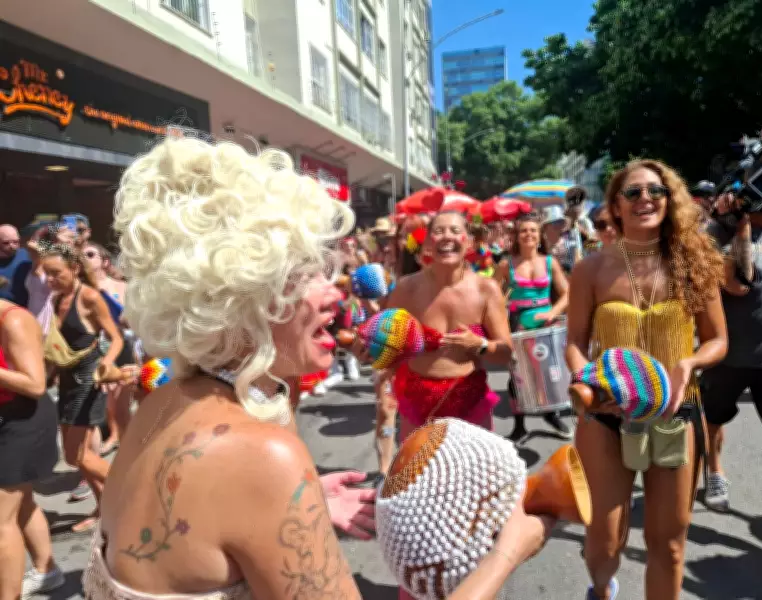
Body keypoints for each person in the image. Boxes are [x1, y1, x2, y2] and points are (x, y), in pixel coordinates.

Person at [83, 136, 551, 600]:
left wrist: (296, 503)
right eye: (306, 274)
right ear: (244, 294)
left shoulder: (161, 402)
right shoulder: (262, 456)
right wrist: (508, 550)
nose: (335, 292)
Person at [566, 159, 727, 600]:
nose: (645, 200)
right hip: (605, 412)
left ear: (669, 199)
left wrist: (690, 363)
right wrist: (589, 383)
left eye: (655, 191)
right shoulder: (591, 269)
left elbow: (718, 340)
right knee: (603, 541)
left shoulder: (693, 263)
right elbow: (575, 342)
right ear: (615, 206)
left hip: (676, 412)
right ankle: (601, 587)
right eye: (633, 193)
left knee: (669, 545)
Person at [702, 151, 762, 564]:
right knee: (713, 419)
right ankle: (715, 469)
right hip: (728, 354)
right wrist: (737, 223)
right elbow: (739, 285)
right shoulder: (716, 232)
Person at [387, 211, 513, 440]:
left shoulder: (486, 289)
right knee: (419, 474)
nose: (447, 237)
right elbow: (385, 346)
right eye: (438, 231)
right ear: (426, 243)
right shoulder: (406, 289)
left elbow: (505, 353)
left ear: (469, 242)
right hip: (416, 402)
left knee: (474, 474)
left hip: (470, 399)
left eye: (455, 231)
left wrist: (480, 345)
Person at [41, 243, 124, 532]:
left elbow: (116, 338)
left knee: (77, 455)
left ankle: (133, 490)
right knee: (77, 454)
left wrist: (106, 364)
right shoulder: (54, 300)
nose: (50, 280)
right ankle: (104, 510)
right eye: (47, 274)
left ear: (74, 269)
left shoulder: (88, 297)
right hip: (66, 378)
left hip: (89, 378)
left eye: (56, 273)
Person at [0, 300, 64, 599]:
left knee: (1, 519)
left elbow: (36, 384)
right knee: (22, 501)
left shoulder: (13, 320)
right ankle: (46, 570)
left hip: (26, 419)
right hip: (6, 416)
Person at [494, 214, 572, 440]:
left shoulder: (550, 262)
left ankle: (552, 414)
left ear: (540, 236)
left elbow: (567, 293)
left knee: (549, 371)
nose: (529, 234)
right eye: (524, 231)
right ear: (517, 237)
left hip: (546, 324)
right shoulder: (505, 264)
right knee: (517, 375)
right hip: (518, 325)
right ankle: (520, 425)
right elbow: (491, 295)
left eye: (533, 231)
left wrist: (552, 312)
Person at [83, 242, 137, 455]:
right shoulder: (85, 290)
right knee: (108, 395)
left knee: (121, 394)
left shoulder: (122, 285)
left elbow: (133, 316)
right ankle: (115, 435)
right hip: (100, 344)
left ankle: (125, 438)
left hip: (127, 342)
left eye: (90, 254)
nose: (85, 257)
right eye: (82, 255)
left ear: (104, 261)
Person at [0, 225, 32, 307]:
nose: (12, 246)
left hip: (23, 309)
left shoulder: (28, 255)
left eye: (15, 242)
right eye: (6, 243)